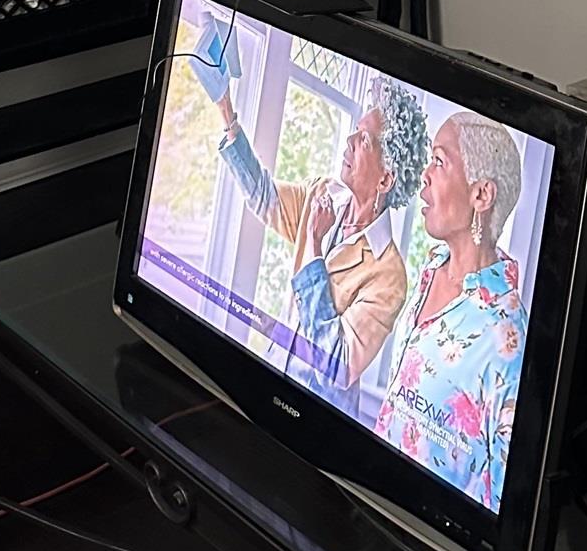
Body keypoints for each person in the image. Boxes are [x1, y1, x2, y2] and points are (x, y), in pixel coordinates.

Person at [216, 70, 429, 400]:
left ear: (385, 180)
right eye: (355, 132)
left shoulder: (389, 276)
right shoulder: (324, 192)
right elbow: (264, 196)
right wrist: (227, 114)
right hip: (269, 381)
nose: (349, 141)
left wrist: (314, 244)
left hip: (314, 419)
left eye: (365, 140)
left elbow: (337, 365)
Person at [375, 111, 529, 511]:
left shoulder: (508, 340)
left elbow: (501, 498)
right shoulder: (431, 267)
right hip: (376, 501)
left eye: (440, 161)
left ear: (481, 195)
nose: (424, 174)